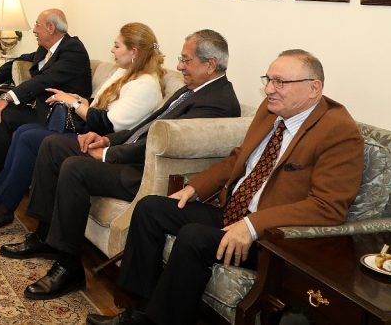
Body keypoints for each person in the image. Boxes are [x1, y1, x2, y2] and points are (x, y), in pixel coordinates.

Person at [88, 50, 363, 325]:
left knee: (194, 236)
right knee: (151, 208)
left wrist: (252, 226)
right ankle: (136, 311)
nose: (269, 89)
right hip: (233, 213)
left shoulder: (338, 131)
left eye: (280, 82)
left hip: (273, 239)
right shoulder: (271, 112)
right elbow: (238, 159)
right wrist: (195, 188)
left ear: (313, 88)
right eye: (268, 80)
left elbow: (327, 207)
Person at [15, 31, 241, 302]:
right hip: (131, 156)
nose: (179, 66)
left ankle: (68, 266)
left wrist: (108, 154)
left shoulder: (218, 103)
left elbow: (161, 146)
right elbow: (145, 128)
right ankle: (44, 235)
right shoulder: (191, 89)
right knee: (54, 145)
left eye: (186, 60)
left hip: (146, 173)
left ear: (210, 64)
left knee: (75, 168)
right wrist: (107, 139)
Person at [0, 23, 165, 235]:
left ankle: (3, 206)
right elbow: (98, 104)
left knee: (29, 137)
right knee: (24, 132)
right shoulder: (124, 72)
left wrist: (73, 102)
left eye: (117, 46)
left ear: (134, 52)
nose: (112, 50)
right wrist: (79, 99)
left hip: (103, 143)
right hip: (90, 132)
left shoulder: (145, 85)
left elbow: (108, 124)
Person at [0, 9, 92, 207]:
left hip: (60, 119)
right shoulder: (46, 49)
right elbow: (17, 62)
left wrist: (7, 97)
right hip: (41, 109)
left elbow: (44, 80)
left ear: (50, 27)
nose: (34, 30)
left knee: (6, 116)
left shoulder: (73, 51)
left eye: (37, 24)